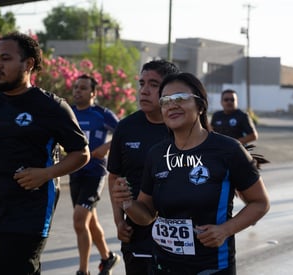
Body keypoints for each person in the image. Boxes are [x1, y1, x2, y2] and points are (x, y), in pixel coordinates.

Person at [112, 72, 270, 274]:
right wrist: (127, 203)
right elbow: (147, 215)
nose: (172, 105)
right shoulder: (157, 154)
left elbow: (260, 203)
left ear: (201, 105)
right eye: (166, 101)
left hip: (211, 268)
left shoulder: (228, 150)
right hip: (162, 266)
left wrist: (225, 230)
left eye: (180, 98)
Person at [0, 32, 90, 274]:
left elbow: (81, 153)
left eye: (5, 58)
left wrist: (46, 173)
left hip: (29, 215)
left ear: (28, 64)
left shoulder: (51, 106)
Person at [107, 60, 180, 274]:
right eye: (141, 83)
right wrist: (119, 221)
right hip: (137, 235)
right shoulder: (126, 127)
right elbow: (114, 177)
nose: (144, 91)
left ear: (169, 90)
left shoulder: (182, 128)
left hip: (177, 239)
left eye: (153, 84)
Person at [70, 74, 120, 275]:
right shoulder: (69, 113)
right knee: (89, 221)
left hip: (95, 173)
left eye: (82, 88)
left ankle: (83, 271)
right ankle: (108, 257)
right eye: (75, 87)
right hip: (74, 172)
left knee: (80, 220)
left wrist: (106, 147)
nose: (77, 91)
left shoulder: (102, 114)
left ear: (93, 92)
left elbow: (123, 133)